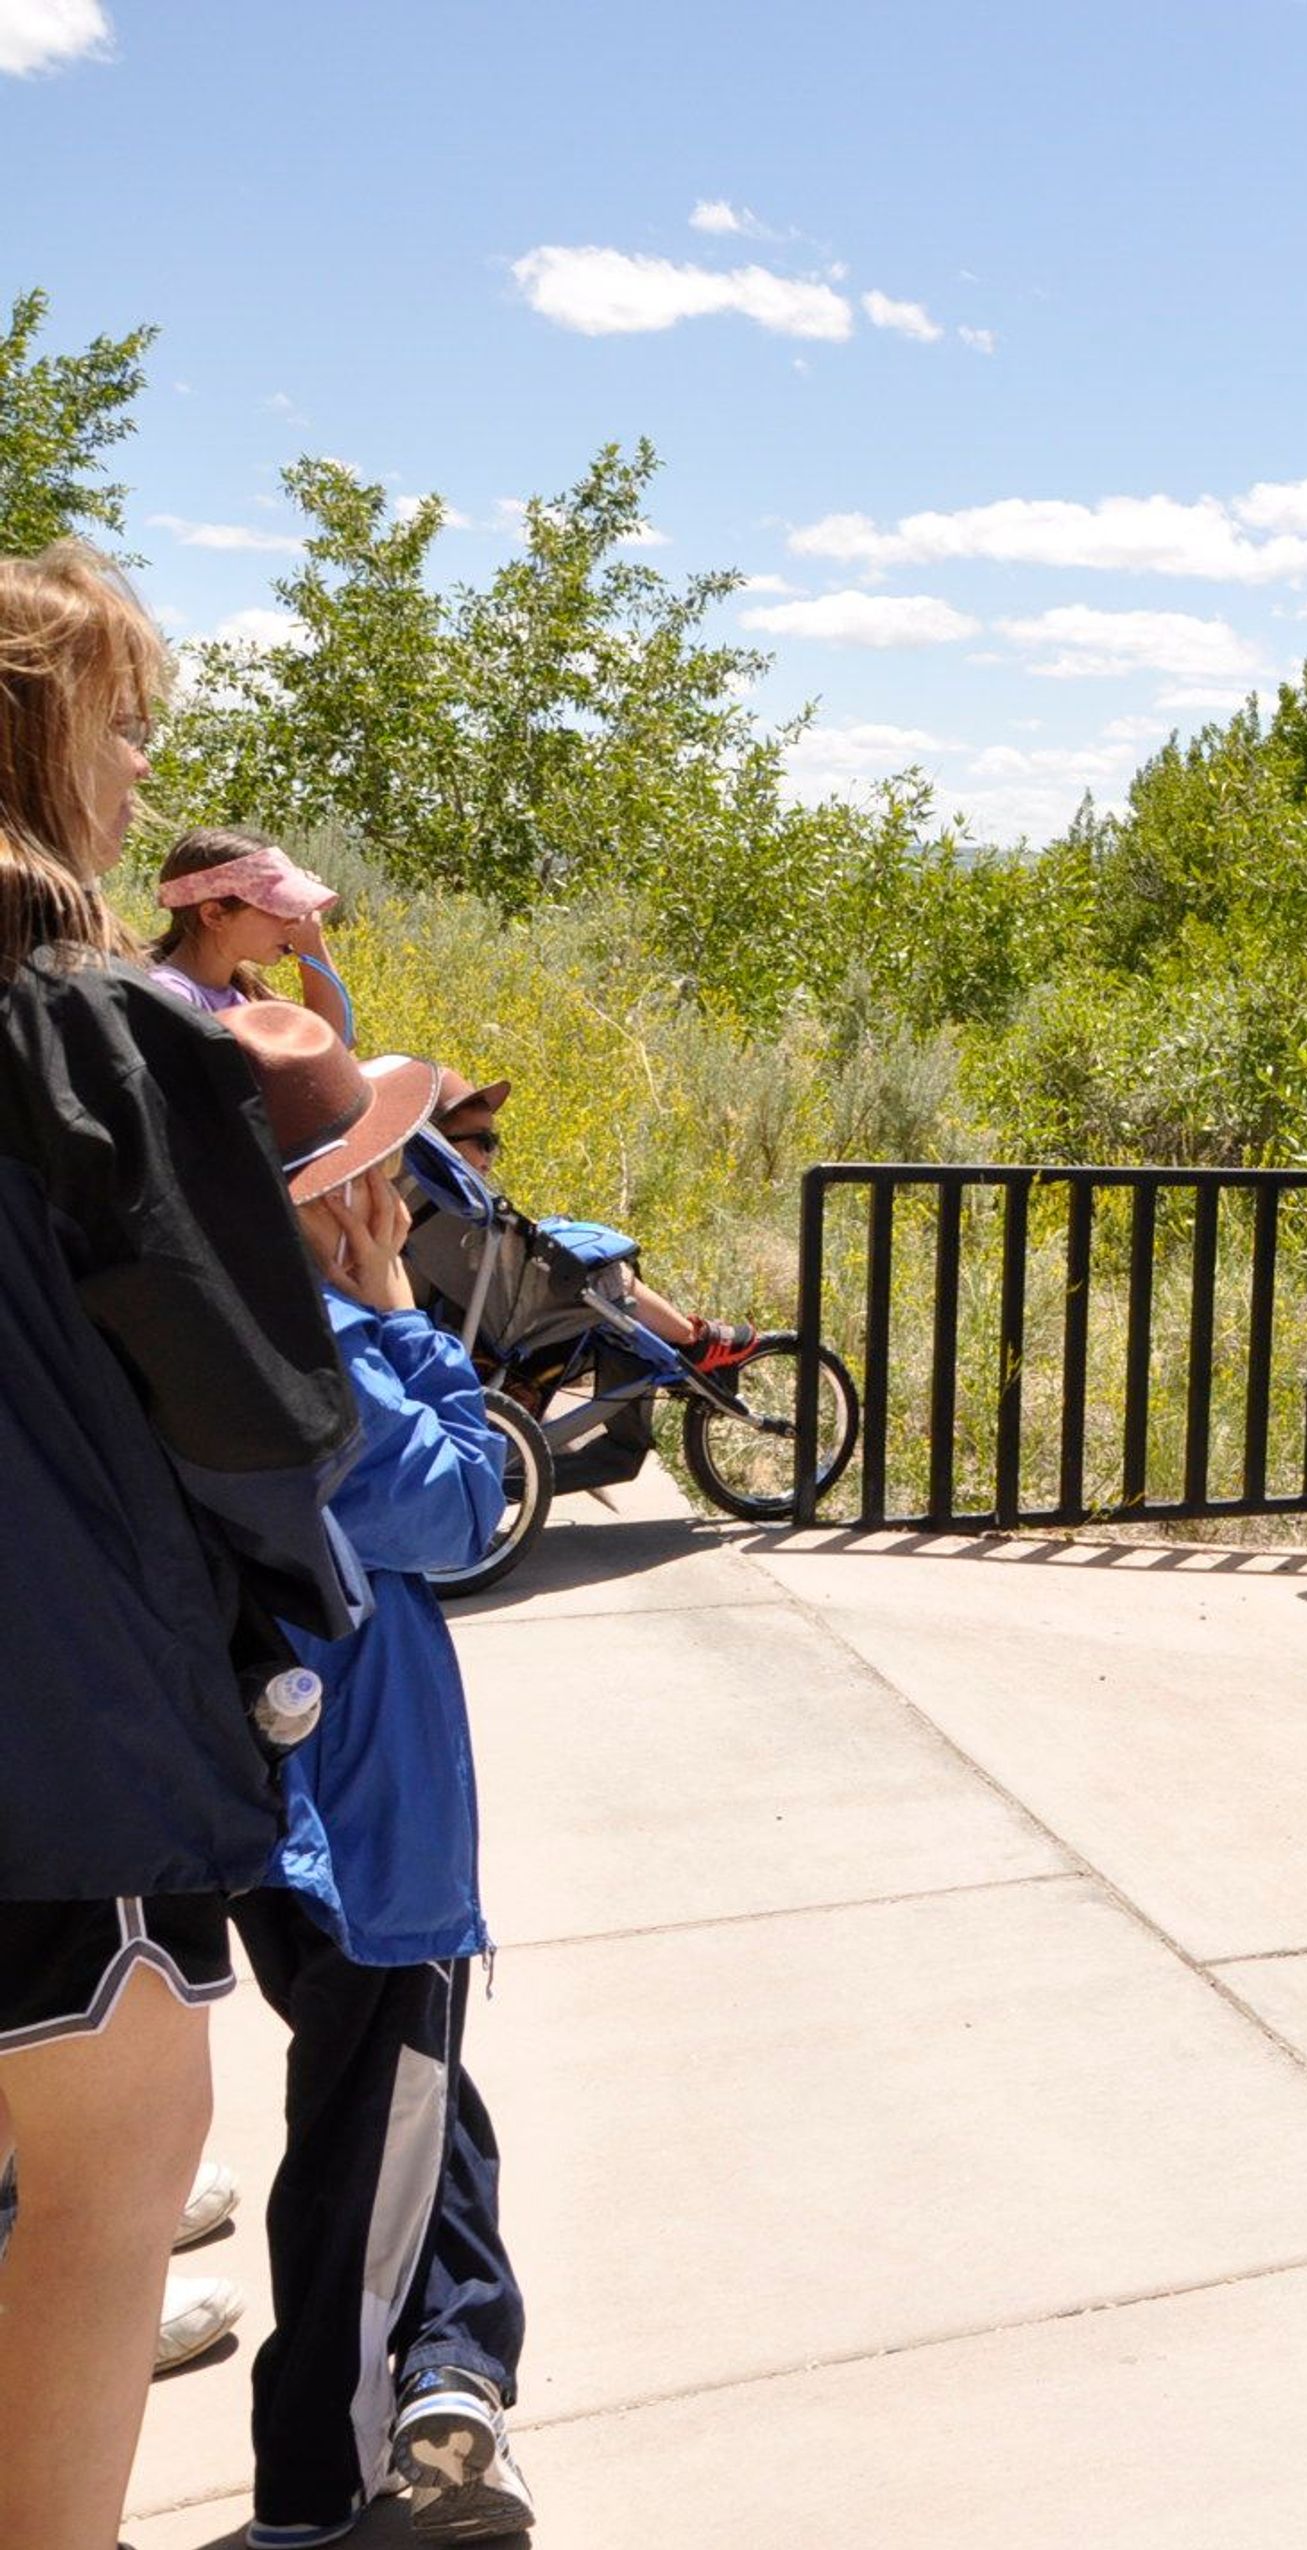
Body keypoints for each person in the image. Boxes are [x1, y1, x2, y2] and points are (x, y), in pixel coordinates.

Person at [0, 540, 360, 2550]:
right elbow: (253, 1418)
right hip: (65, 1752)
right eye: (122, 729)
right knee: (105, 2194)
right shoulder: (89, 1042)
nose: (139, 779)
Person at [218, 1003, 540, 2547]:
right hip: (367, 1824)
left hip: (293, 1804)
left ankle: (455, 2370)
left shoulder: (220, 1329)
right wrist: (404, 1306)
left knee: (416, 2108)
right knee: (365, 2157)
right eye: (377, 1173)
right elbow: (465, 1507)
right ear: (324, 1201)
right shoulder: (331, 1348)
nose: (403, 1197)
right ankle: (323, 2491)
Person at [414, 1066, 757, 1377]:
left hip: (482, 1297)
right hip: (507, 1310)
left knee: (584, 1259)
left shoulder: (430, 1192)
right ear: (444, 1144)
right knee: (610, 1275)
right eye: (483, 1142)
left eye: (496, 1142)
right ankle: (693, 1340)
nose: (491, 1153)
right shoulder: (458, 1200)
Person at [145, 826, 358, 1044]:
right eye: (278, 906)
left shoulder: (243, 994)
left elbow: (334, 1048)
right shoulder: (171, 994)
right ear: (214, 915)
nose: (295, 920)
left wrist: (312, 944)